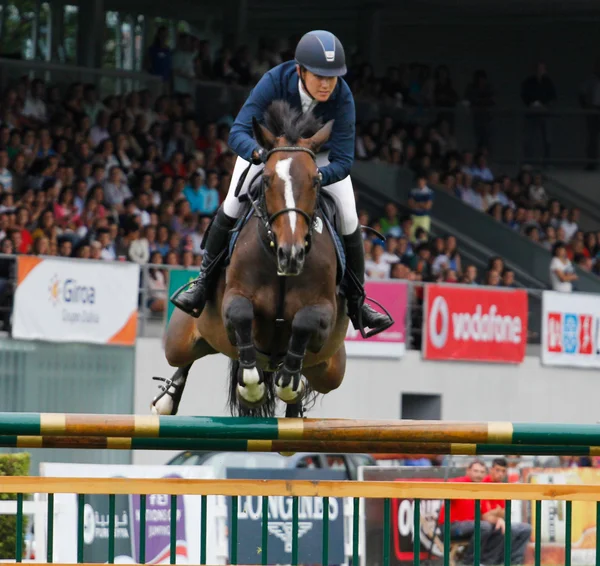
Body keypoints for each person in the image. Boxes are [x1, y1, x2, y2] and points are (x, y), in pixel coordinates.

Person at [170, 30, 393, 335]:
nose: (327, 84)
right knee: (233, 203)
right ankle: (203, 282)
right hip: (267, 153)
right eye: (319, 76)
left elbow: (343, 160)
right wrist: (261, 154)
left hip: (320, 161)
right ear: (300, 70)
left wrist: (316, 177)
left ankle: (357, 303)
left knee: (350, 219)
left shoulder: (343, 97)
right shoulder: (275, 80)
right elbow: (237, 132)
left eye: (333, 77)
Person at [482, 458, 532, 565]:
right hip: (485, 524)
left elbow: (504, 512)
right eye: (497, 470)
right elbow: (484, 515)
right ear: (491, 469)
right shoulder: (484, 484)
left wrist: (496, 513)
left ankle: (514, 561)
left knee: (526, 529)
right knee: (506, 529)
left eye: (503, 471)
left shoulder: (501, 486)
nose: (500, 474)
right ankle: (491, 561)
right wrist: (498, 515)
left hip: (496, 521)